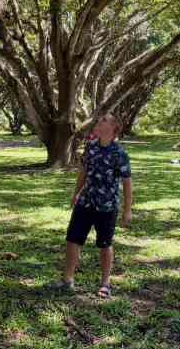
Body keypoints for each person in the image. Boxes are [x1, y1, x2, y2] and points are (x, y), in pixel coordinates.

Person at [51, 113, 133, 298]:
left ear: (114, 128)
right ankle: (67, 280)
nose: (98, 121)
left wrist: (127, 210)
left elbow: (127, 183)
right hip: (86, 202)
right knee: (73, 239)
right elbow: (84, 172)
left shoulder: (120, 153)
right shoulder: (91, 147)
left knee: (105, 244)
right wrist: (76, 193)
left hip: (107, 206)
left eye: (104, 120)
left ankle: (105, 283)